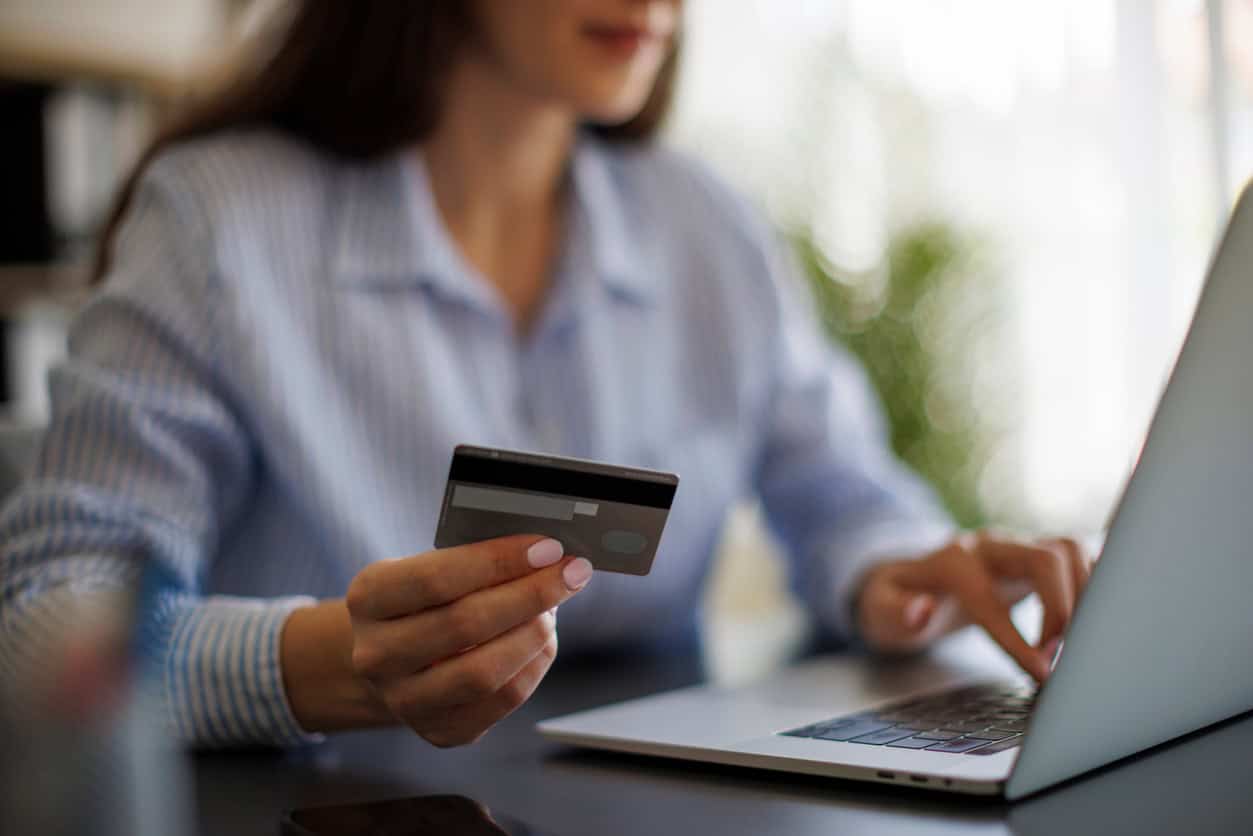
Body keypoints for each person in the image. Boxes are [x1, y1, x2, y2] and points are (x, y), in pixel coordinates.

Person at [0, 0, 1089, 750]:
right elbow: (47, 623)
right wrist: (319, 661)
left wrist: (898, 569)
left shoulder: (703, 224)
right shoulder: (216, 222)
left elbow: (843, 493)